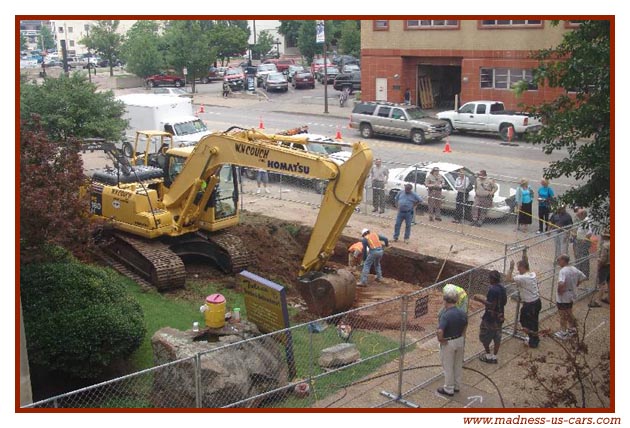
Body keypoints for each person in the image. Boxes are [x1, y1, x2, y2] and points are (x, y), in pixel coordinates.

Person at [436, 285, 468, 397]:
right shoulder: (462, 312)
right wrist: (462, 336)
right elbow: (465, 325)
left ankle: (449, 388)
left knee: (448, 366)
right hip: (460, 339)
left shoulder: (446, 315)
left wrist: (441, 340)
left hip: (449, 342)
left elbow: (440, 330)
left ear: (445, 301)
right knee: (458, 365)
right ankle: (457, 386)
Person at [473, 270, 507, 364]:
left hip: (490, 318)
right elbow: (504, 302)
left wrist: (480, 299)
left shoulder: (492, 290)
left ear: (492, 279)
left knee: (484, 336)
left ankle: (488, 355)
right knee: (497, 336)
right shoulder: (502, 288)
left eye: (490, 278)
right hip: (500, 316)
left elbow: (491, 305)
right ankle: (494, 356)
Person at [507, 258, 541, 348]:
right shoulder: (532, 274)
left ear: (523, 267)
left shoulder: (522, 277)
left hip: (530, 304)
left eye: (518, 268)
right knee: (533, 322)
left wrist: (511, 268)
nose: (518, 270)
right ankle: (533, 338)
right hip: (537, 301)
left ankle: (533, 340)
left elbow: (508, 279)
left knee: (526, 322)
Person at [555, 255, 586, 340]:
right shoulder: (574, 268)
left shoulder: (563, 271)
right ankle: (573, 329)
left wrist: (559, 291)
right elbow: (584, 277)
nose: (558, 261)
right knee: (569, 312)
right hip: (571, 295)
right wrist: (577, 284)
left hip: (563, 296)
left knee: (562, 315)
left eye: (559, 260)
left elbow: (561, 283)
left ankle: (563, 333)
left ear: (564, 261)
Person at [590, 229, 610, 307]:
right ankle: (609, 298)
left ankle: (598, 301)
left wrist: (600, 264)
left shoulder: (605, 245)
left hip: (605, 265)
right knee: (609, 282)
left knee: (602, 283)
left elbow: (604, 258)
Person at [572, 209, 592, 279]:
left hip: (583, 242)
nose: (578, 216)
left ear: (582, 214)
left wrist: (584, 240)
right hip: (579, 241)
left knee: (584, 258)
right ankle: (579, 273)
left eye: (579, 215)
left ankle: (585, 275)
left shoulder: (586, 221)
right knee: (579, 257)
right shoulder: (583, 220)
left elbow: (589, 232)